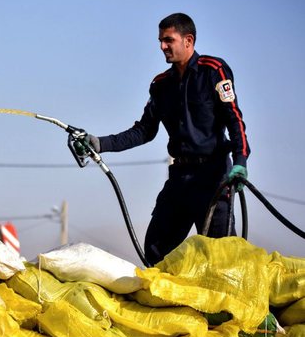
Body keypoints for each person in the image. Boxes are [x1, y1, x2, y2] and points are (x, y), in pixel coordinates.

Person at [85, 13, 250, 265]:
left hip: (214, 178)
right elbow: (144, 131)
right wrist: (100, 143)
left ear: (188, 40)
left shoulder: (213, 71)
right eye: (161, 40)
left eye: (168, 40)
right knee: (155, 251)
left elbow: (234, 118)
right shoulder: (161, 84)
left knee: (222, 260)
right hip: (180, 179)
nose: (162, 46)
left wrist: (240, 161)